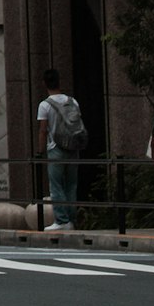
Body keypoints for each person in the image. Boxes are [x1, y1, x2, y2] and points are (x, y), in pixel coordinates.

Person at [36, 69, 87, 231]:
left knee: (56, 185)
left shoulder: (45, 105)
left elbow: (43, 130)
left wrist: (40, 150)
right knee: (71, 185)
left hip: (55, 148)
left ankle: (61, 220)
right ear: (59, 81)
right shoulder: (73, 102)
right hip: (73, 147)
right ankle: (71, 220)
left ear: (44, 83)